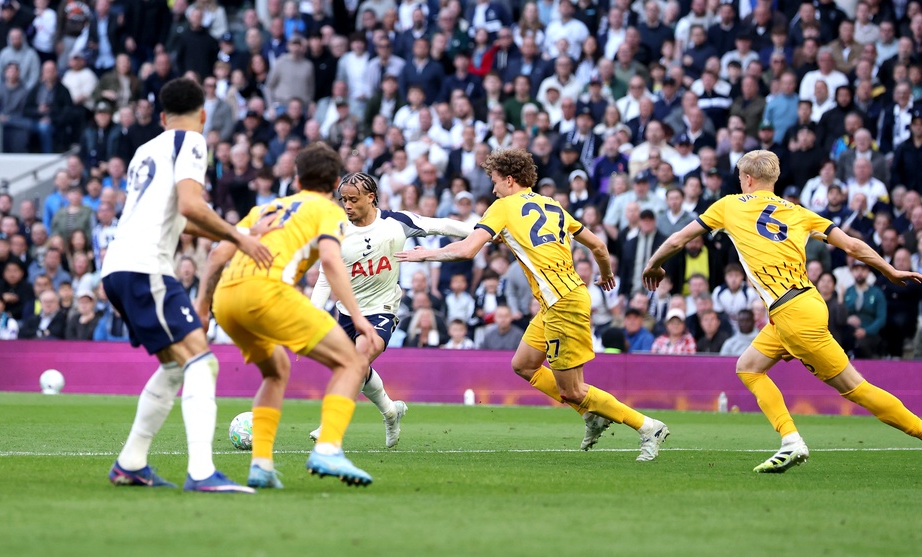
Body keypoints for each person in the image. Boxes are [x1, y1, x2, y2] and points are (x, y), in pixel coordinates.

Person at [642, 150, 922, 476]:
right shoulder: (800, 212)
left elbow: (679, 238)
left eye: (740, 178)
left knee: (856, 389)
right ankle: (790, 438)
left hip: (792, 314)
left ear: (747, 179)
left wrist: (654, 264)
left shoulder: (729, 205)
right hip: (802, 304)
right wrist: (889, 269)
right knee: (748, 367)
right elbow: (852, 245)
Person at [396, 148, 670, 462]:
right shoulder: (551, 205)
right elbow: (597, 244)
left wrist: (425, 254)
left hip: (562, 303)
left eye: (495, 181)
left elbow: (468, 250)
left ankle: (647, 426)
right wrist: (606, 275)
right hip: (558, 299)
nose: (494, 188)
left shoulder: (503, 207)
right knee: (523, 365)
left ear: (510, 180)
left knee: (574, 390)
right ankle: (592, 416)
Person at [101, 78, 273, 494]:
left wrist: (231, 232)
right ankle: (201, 472)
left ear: (161, 117)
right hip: (145, 267)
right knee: (203, 362)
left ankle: (131, 462)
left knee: (177, 364)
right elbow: (192, 205)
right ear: (202, 114)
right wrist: (243, 237)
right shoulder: (193, 142)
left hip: (118, 266)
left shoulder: (146, 150)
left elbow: (180, 214)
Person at [197, 144, 379, 490]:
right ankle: (327, 448)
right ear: (337, 182)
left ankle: (261, 465)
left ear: (296, 179)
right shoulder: (328, 210)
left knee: (276, 370)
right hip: (267, 292)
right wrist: (358, 317)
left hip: (227, 299)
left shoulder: (267, 207)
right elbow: (329, 259)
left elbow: (220, 251)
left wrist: (203, 308)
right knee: (352, 364)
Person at [305, 171, 473, 448]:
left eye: (353, 199)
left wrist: (485, 233)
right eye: (343, 199)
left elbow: (441, 225)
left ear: (371, 198)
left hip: (382, 309)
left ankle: (331, 424)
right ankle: (391, 412)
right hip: (347, 314)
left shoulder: (396, 222)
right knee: (360, 367)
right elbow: (325, 279)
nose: (346, 205)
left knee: (357, 361)